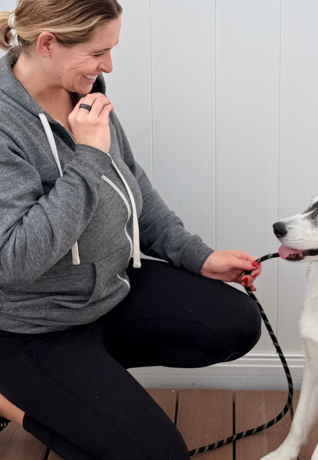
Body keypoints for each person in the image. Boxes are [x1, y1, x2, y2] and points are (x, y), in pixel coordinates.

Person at [0, 1, 263, 459]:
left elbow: (131, 184)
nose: (108, 66)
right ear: (46, 44)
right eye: (98, 52)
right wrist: (89, 157)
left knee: (235, 324)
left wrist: (196, 254)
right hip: (34, 326)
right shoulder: (6, 126)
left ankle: (77, 384)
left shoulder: (82, 94)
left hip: (109, 292)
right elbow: (17, 261)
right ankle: (14, 396)